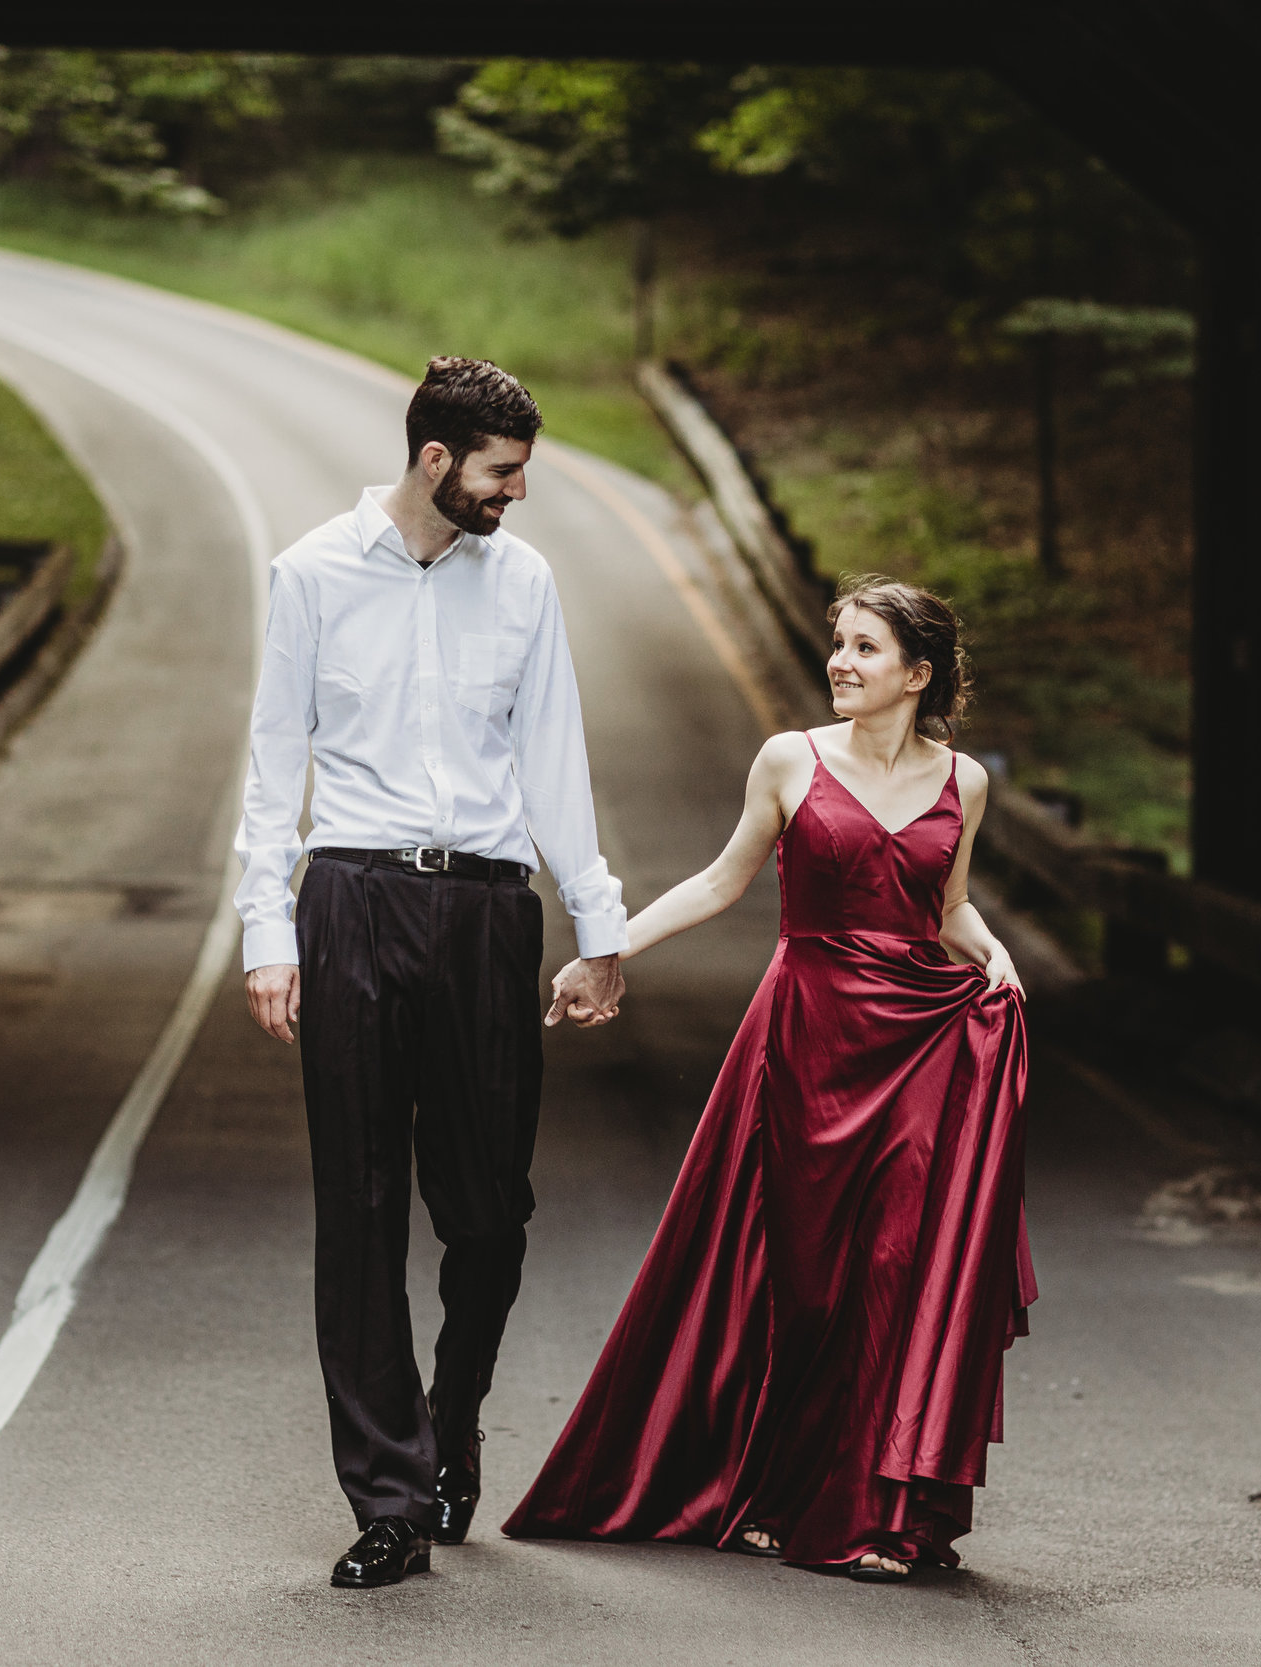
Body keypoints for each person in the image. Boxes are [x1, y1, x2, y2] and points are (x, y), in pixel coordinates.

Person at [505, 576, 1033, 1582]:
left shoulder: (964, 780)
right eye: (839, 643)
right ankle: (769, 1490)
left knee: (892, 1267)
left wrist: (992, 952)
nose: (841, 661)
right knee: (805, 1283)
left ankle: (876, 1513)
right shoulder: (790, 758)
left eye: (866, 648)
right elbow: (718, 879)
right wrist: (605, 949)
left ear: (917, 674)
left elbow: (947, 904)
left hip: (919, 1043)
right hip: (805, 1041)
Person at [234, 357, 629, 1590]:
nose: (517, 495)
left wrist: (596, 920)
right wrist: (267, 930)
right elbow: (271, 761)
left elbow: (552, 752)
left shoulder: (523, 582)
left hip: (483, 916)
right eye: (504, 472)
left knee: (488, 1210)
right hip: (349, 899)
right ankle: (391, 1495)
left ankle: (452, 1414)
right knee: (356, 1212)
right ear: (436, 460)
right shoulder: (310, 573)